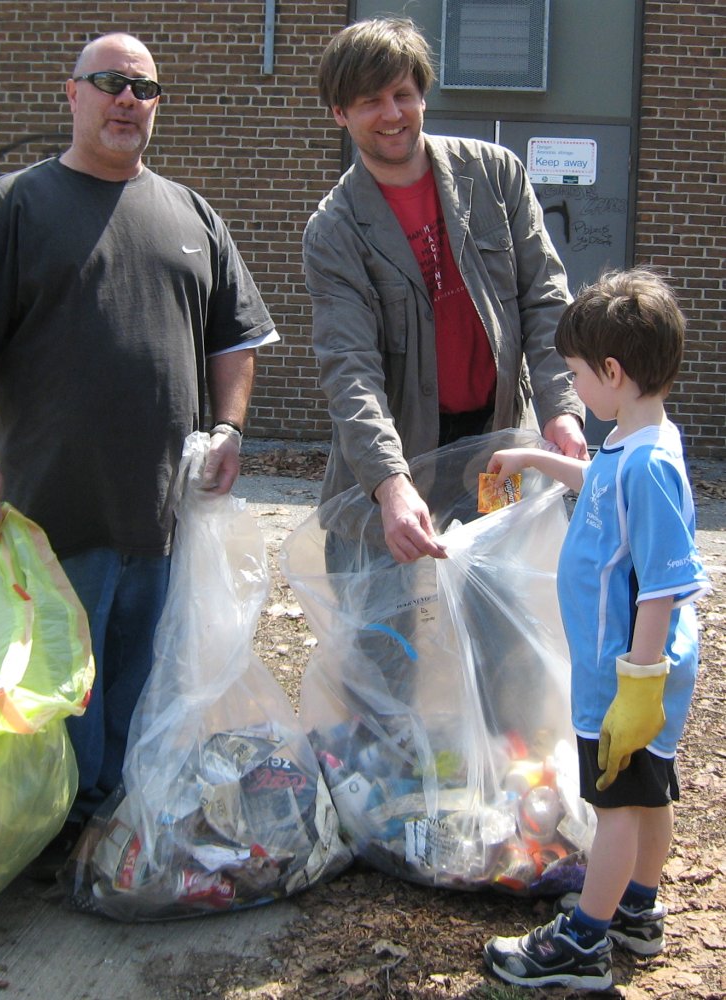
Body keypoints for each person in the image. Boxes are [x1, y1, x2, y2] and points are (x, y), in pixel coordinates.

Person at [0, 32, 278, 875]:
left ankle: (115, 825)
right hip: (51, 512)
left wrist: (230, 428)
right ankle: (49, 834)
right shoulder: (14, 207)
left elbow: (237, 340)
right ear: (70, 93)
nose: (126, 102)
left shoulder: (192, 216)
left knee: (143, 684)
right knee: (56, 689)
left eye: (143, 89)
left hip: (163, 514)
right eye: (108, 84)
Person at [482, 268, 710, 990]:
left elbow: (667, 584)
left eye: (577, 375)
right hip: (635, 672)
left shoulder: (648, 466)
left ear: (612, 372)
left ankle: (586, 939)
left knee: (615, 806)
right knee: (649, 794)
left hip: (627, 675)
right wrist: (535, 458)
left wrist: (637, 689)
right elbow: (596, 482)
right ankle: (639, 910)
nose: (574, 387)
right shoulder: (634, 443)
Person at [303, 17, 588, 563]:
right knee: (381, 639)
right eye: (369, 102)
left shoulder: (495, 174)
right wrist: (389, 484)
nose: (392, 115)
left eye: (403, 95)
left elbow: (547, 301)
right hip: (394, 462)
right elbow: (349, 368)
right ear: (340, 113)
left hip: (496, 456)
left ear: (422, 96)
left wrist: (561, 410)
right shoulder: (333, 232)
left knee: (497, 627)